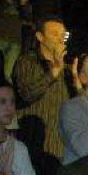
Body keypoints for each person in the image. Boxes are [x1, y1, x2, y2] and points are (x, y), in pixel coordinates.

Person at [12, 16, 69, 159]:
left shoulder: (67, 69)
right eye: (55, 34)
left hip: (58, 146)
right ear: (40, 36)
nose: (60, 39)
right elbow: (26, 93)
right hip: (31, 144)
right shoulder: (27, 61)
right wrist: (54, 71)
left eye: (63, 35)